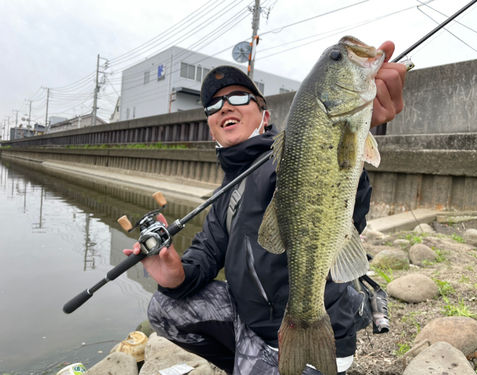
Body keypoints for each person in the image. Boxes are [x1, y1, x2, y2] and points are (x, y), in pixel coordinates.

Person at [124, 41, 407, 375]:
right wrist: (175, 274)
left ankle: (290, 357)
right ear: (211, 125)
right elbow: (205, 254)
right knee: (164, 306)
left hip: (316, 325)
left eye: (239, 97)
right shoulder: (226, 192)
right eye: (213, 105)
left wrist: (357, 133)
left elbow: (349, 209)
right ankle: (252, 363)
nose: (225, 106)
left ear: (266, 115)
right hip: (254, 324)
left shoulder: (280, 164)